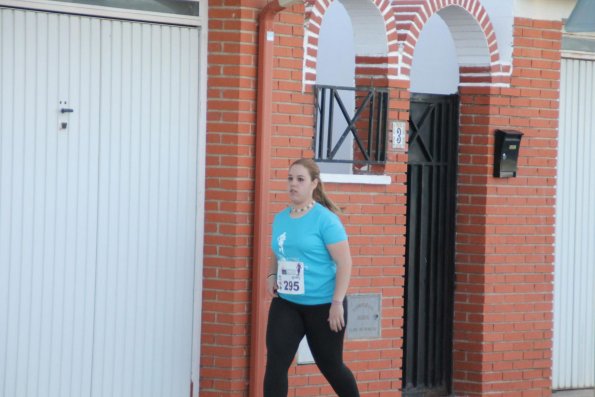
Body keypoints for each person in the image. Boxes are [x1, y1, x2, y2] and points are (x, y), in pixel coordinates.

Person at [264, 158, 360, 397]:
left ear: (314, 184)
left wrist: (337, 303)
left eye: (300, 179)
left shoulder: (325, 220)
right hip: (287, 304)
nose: (293, 184)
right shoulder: (281, 219)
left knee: (331, 367)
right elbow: (278, 250)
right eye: (290, 179)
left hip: (324, 306)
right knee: (275, 364)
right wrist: (271, 273)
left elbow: (344, 262)